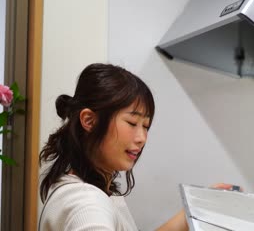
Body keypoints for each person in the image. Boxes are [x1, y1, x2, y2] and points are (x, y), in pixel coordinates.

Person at [39, 63, 235, 231]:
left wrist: (196, 209)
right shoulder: (87, 202)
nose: (142, 138)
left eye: (146, 126)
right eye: (132, 123)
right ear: (89, 120)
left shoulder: (89, 188)